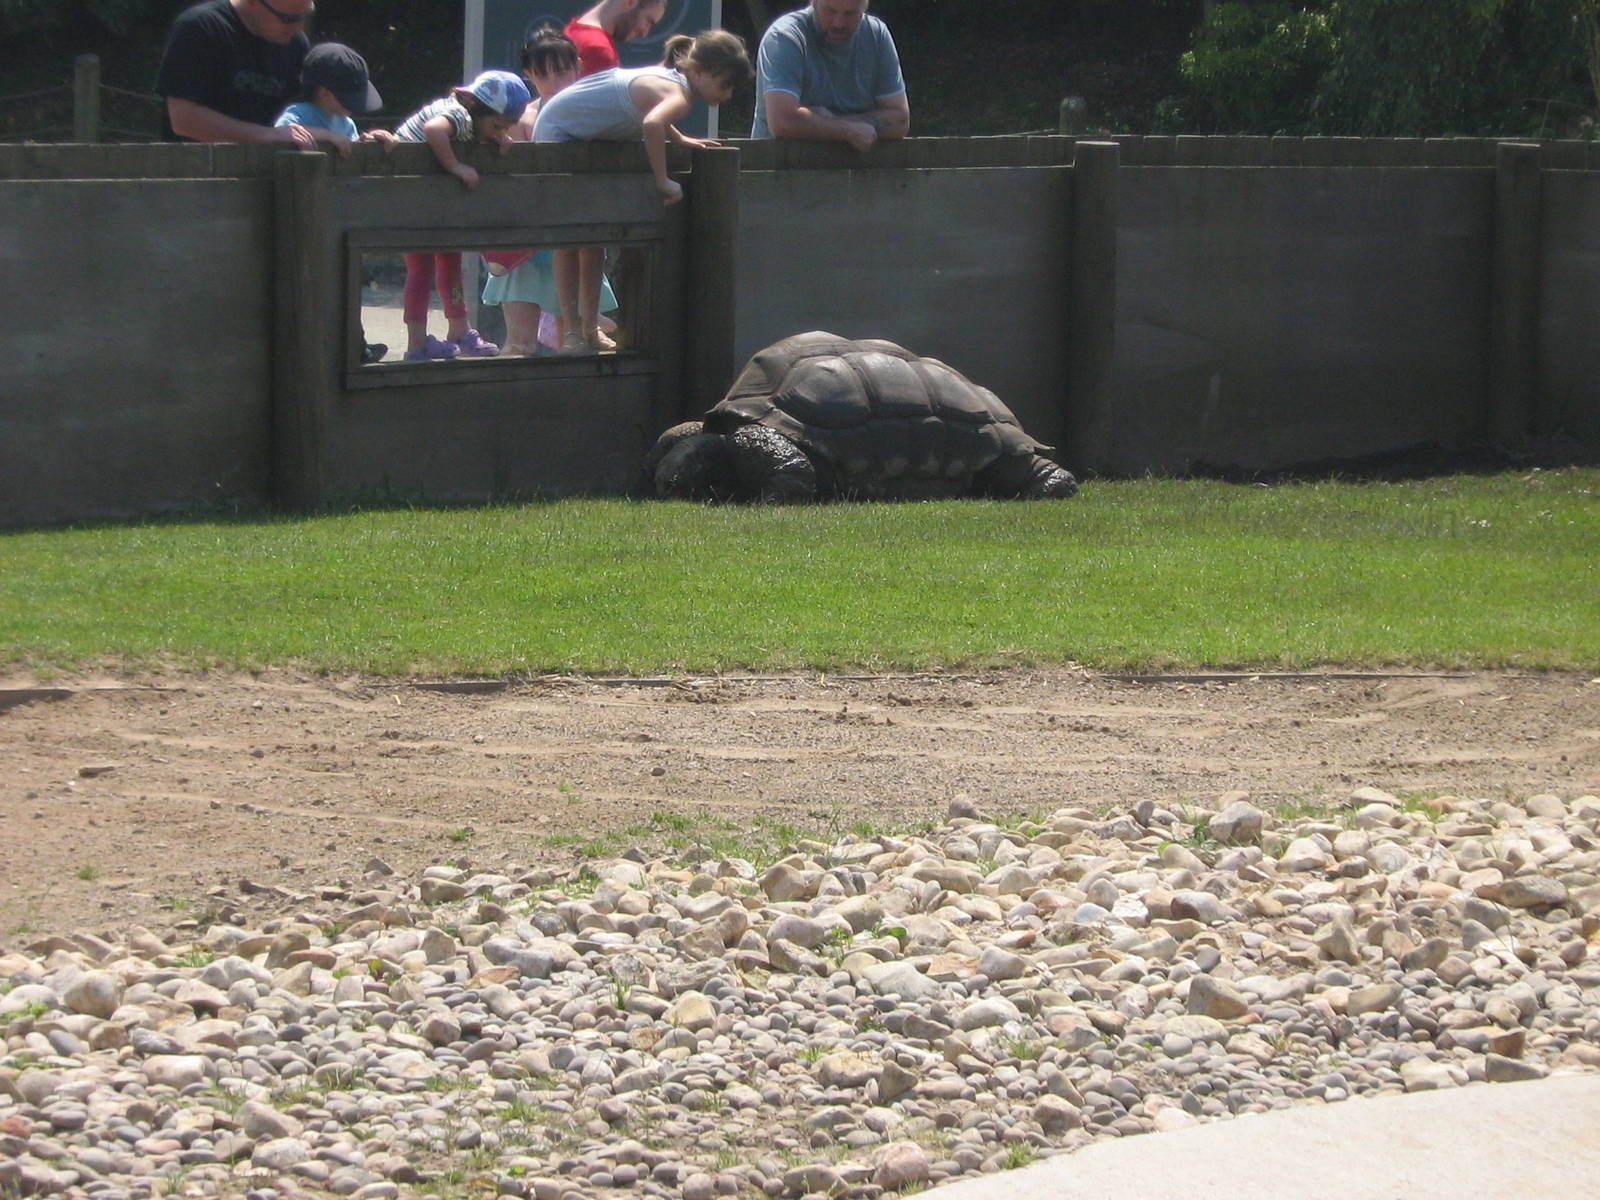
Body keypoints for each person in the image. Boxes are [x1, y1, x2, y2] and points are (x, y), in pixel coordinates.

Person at [533, 30, 751, 354]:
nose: (728, 94)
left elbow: (651, 112)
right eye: (725, 84)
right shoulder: (678, 92)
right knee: (572, 240)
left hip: (572, 137)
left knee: (593, 242)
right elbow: (651, 123)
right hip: (558, 137)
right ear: (701, 72)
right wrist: (662, 180)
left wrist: (678, 140)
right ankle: (572, 333)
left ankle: (590, 329)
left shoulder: (674, 83)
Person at [388, 71, 530, 362]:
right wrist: (456, 167)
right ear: (479, 108)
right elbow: (433, 130)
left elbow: (475, 130)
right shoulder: (456, 114)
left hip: (430, 204)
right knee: (421, 268)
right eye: (496, 125)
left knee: (450, 261)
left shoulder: (471, 119)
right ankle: (416, 343)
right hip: (411, 203)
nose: (496, 132)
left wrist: (498, 135)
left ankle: (459, 330)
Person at [751, 0, 909, 151]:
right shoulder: (785, 37)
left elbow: (900, 119)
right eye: (830, 11)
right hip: (778, 170)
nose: (838, 23)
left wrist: (829, 123)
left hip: (855, 172)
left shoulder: (877, 36)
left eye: (850, 14)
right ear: (814, 2)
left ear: (863, 10)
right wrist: (848, 131)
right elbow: (782, 121)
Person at [156, 0, 317, 146]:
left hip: (268, 172)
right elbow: (183, 119)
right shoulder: (200, 27)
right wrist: (267, 135)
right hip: (195, 171)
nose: (299, 27)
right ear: (252, 2)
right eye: (288, 19)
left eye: (304, 16)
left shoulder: (296, 45)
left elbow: (299, 117)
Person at [274, 42, 392, 159]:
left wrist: (367, 140)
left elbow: (348, 151)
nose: (357, 104)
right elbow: (281, 132)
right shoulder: (300, 113)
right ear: (324, 93)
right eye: (350, 97)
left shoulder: (347, 124)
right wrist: (328, 136)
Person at [564, 0, 669, 78]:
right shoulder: (599, 51)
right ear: (630, 2)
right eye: (648, 21)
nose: (644, 33)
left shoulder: (571, 30)